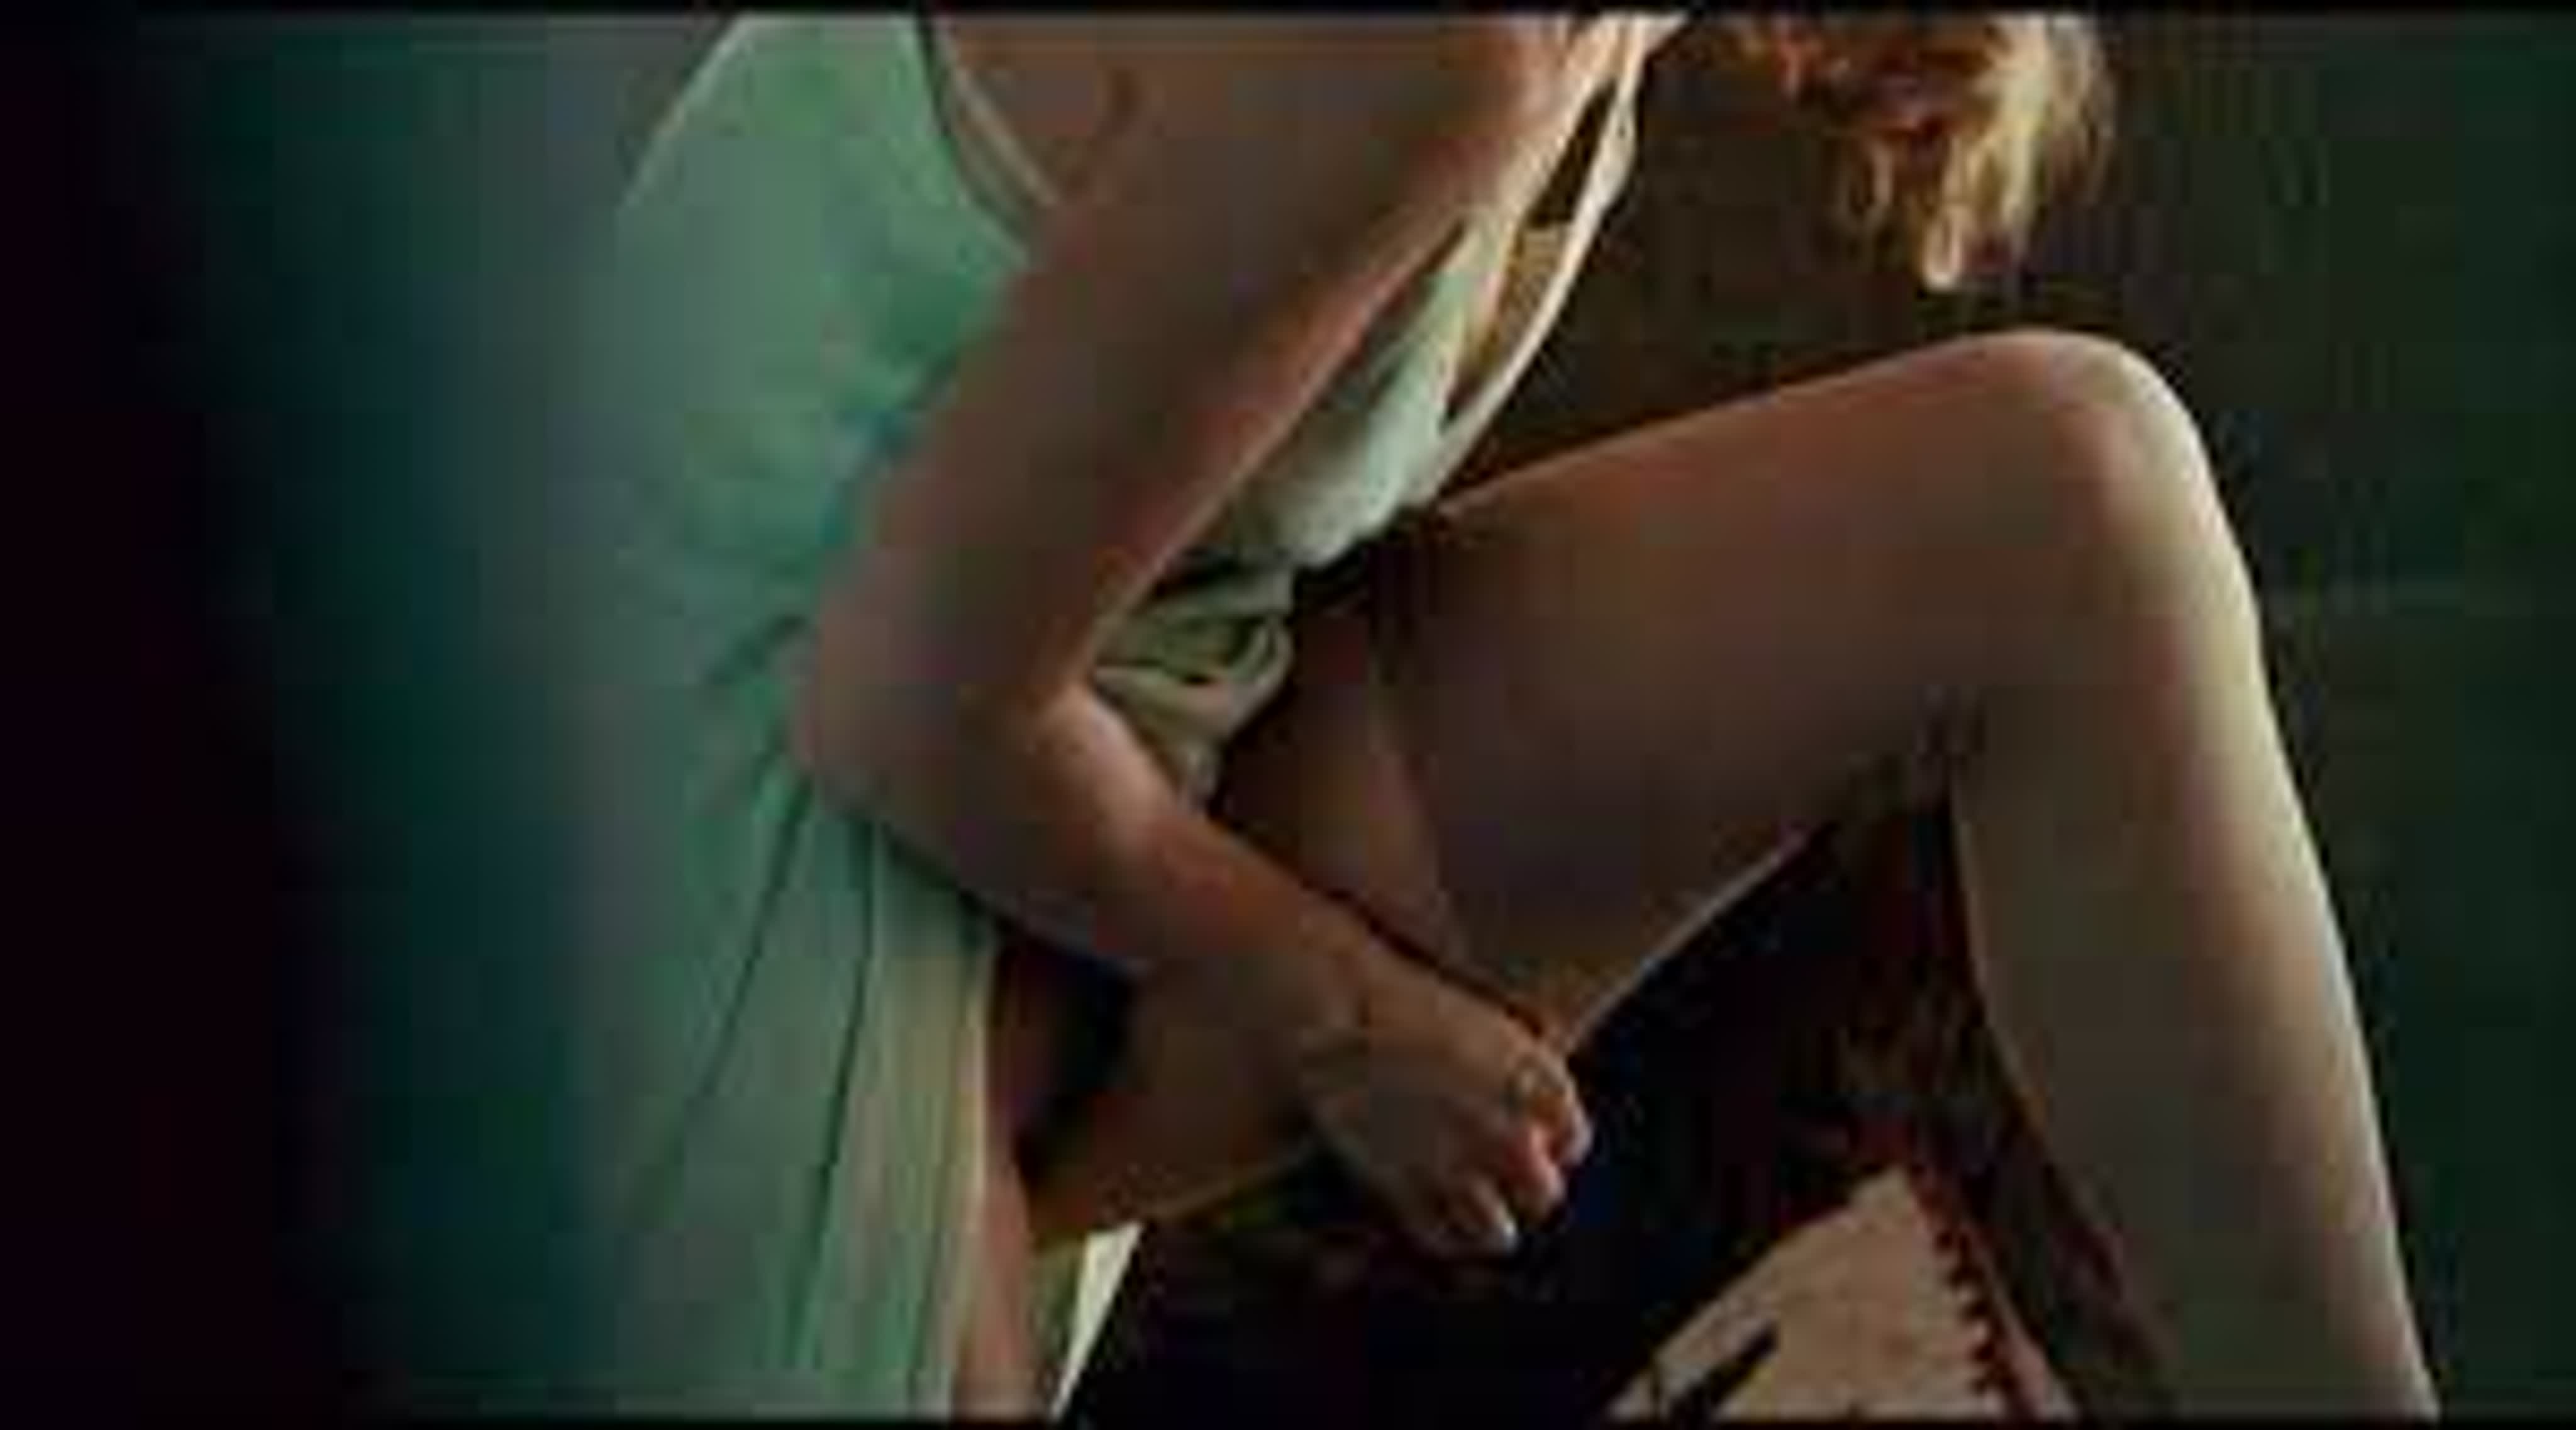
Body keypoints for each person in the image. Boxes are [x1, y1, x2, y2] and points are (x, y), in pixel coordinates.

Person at [547, 11, 2440, 1416]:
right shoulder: (1424, 41)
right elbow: (897, 701)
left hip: (1078, 744)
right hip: (718, 862)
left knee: (2068, 494)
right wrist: (1352, 1016)